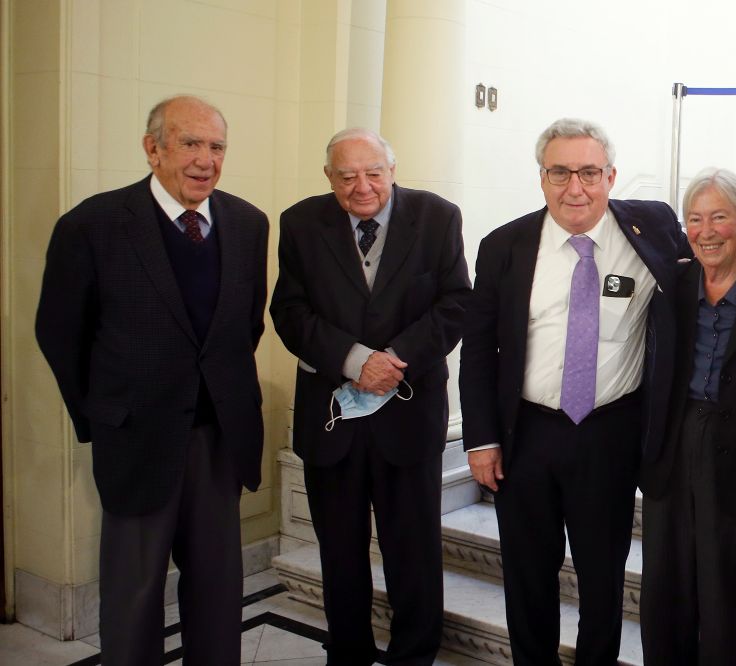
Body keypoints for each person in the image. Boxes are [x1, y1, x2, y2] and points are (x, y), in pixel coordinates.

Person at [35, 95, 269, 664]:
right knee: (134, 594)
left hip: (219, 440)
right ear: (153, 149)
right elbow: (59, 333)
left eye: (216, 147)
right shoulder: (92, 225)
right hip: (136, 439)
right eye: (190, 143)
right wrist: (101, 415)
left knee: (217, 588)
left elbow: (244, 325)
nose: (205, 160)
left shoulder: (248, 223)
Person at [459, 118, 691, 665]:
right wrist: (480, 439)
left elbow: (706, 271)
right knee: (527, 579)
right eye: (559, 172)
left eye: (589, 172)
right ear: (542, 178)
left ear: (611, 175)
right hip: (527, 436)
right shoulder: (505, 246)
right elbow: (478, 349)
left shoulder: (652, 228)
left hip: (610, 434)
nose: (575, 188)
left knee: (603, 582)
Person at [269, 128, 471, 665]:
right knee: (340, 553)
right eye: (347, 175)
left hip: (408, 416)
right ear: (329, 178)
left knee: (414, 553)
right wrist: (356, 361)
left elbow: (455, 304)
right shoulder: (300, 222)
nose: (362, 187)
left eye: (373, 172)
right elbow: (288, 311)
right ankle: (350, 654)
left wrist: (393, 360)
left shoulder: (437, 217)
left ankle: (414, 656)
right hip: (332, 419)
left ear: (392, 169)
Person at [639, 168, 736, 664]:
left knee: (732, 598)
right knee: (666, 593)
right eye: (695, 219)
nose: (706, 231)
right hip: (674, 449)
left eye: (719, 217)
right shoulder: (673, 282)